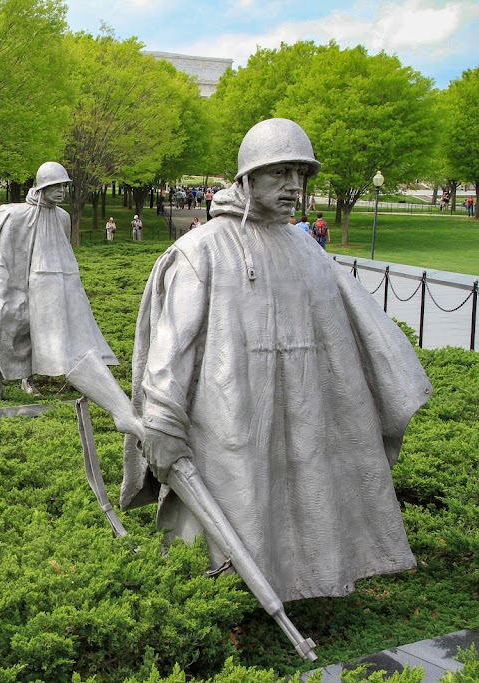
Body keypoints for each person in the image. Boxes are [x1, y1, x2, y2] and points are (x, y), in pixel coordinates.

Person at [118, 118, 431, 604]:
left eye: (300, 175)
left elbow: (352, 330)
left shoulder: (305, 246)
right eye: (278, 174)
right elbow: (172, 349)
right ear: (246, 179)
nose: (293, 187)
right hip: (229, 417)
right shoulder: (201, 250)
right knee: (229, 511)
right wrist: (161, 416)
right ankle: (213, 604)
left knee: (304, 499)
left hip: (304, 409)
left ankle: (308, 585)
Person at [0, 161, 119, 401]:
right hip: (15, 288)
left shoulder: (63, 217)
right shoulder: (16, 215)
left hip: (48, 291)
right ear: (42, 187)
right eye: (56, 186)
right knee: (3, 335)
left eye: (64, 186)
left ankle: (28, 379)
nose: (62, 191)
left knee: (37, 336)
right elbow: (1, 256)